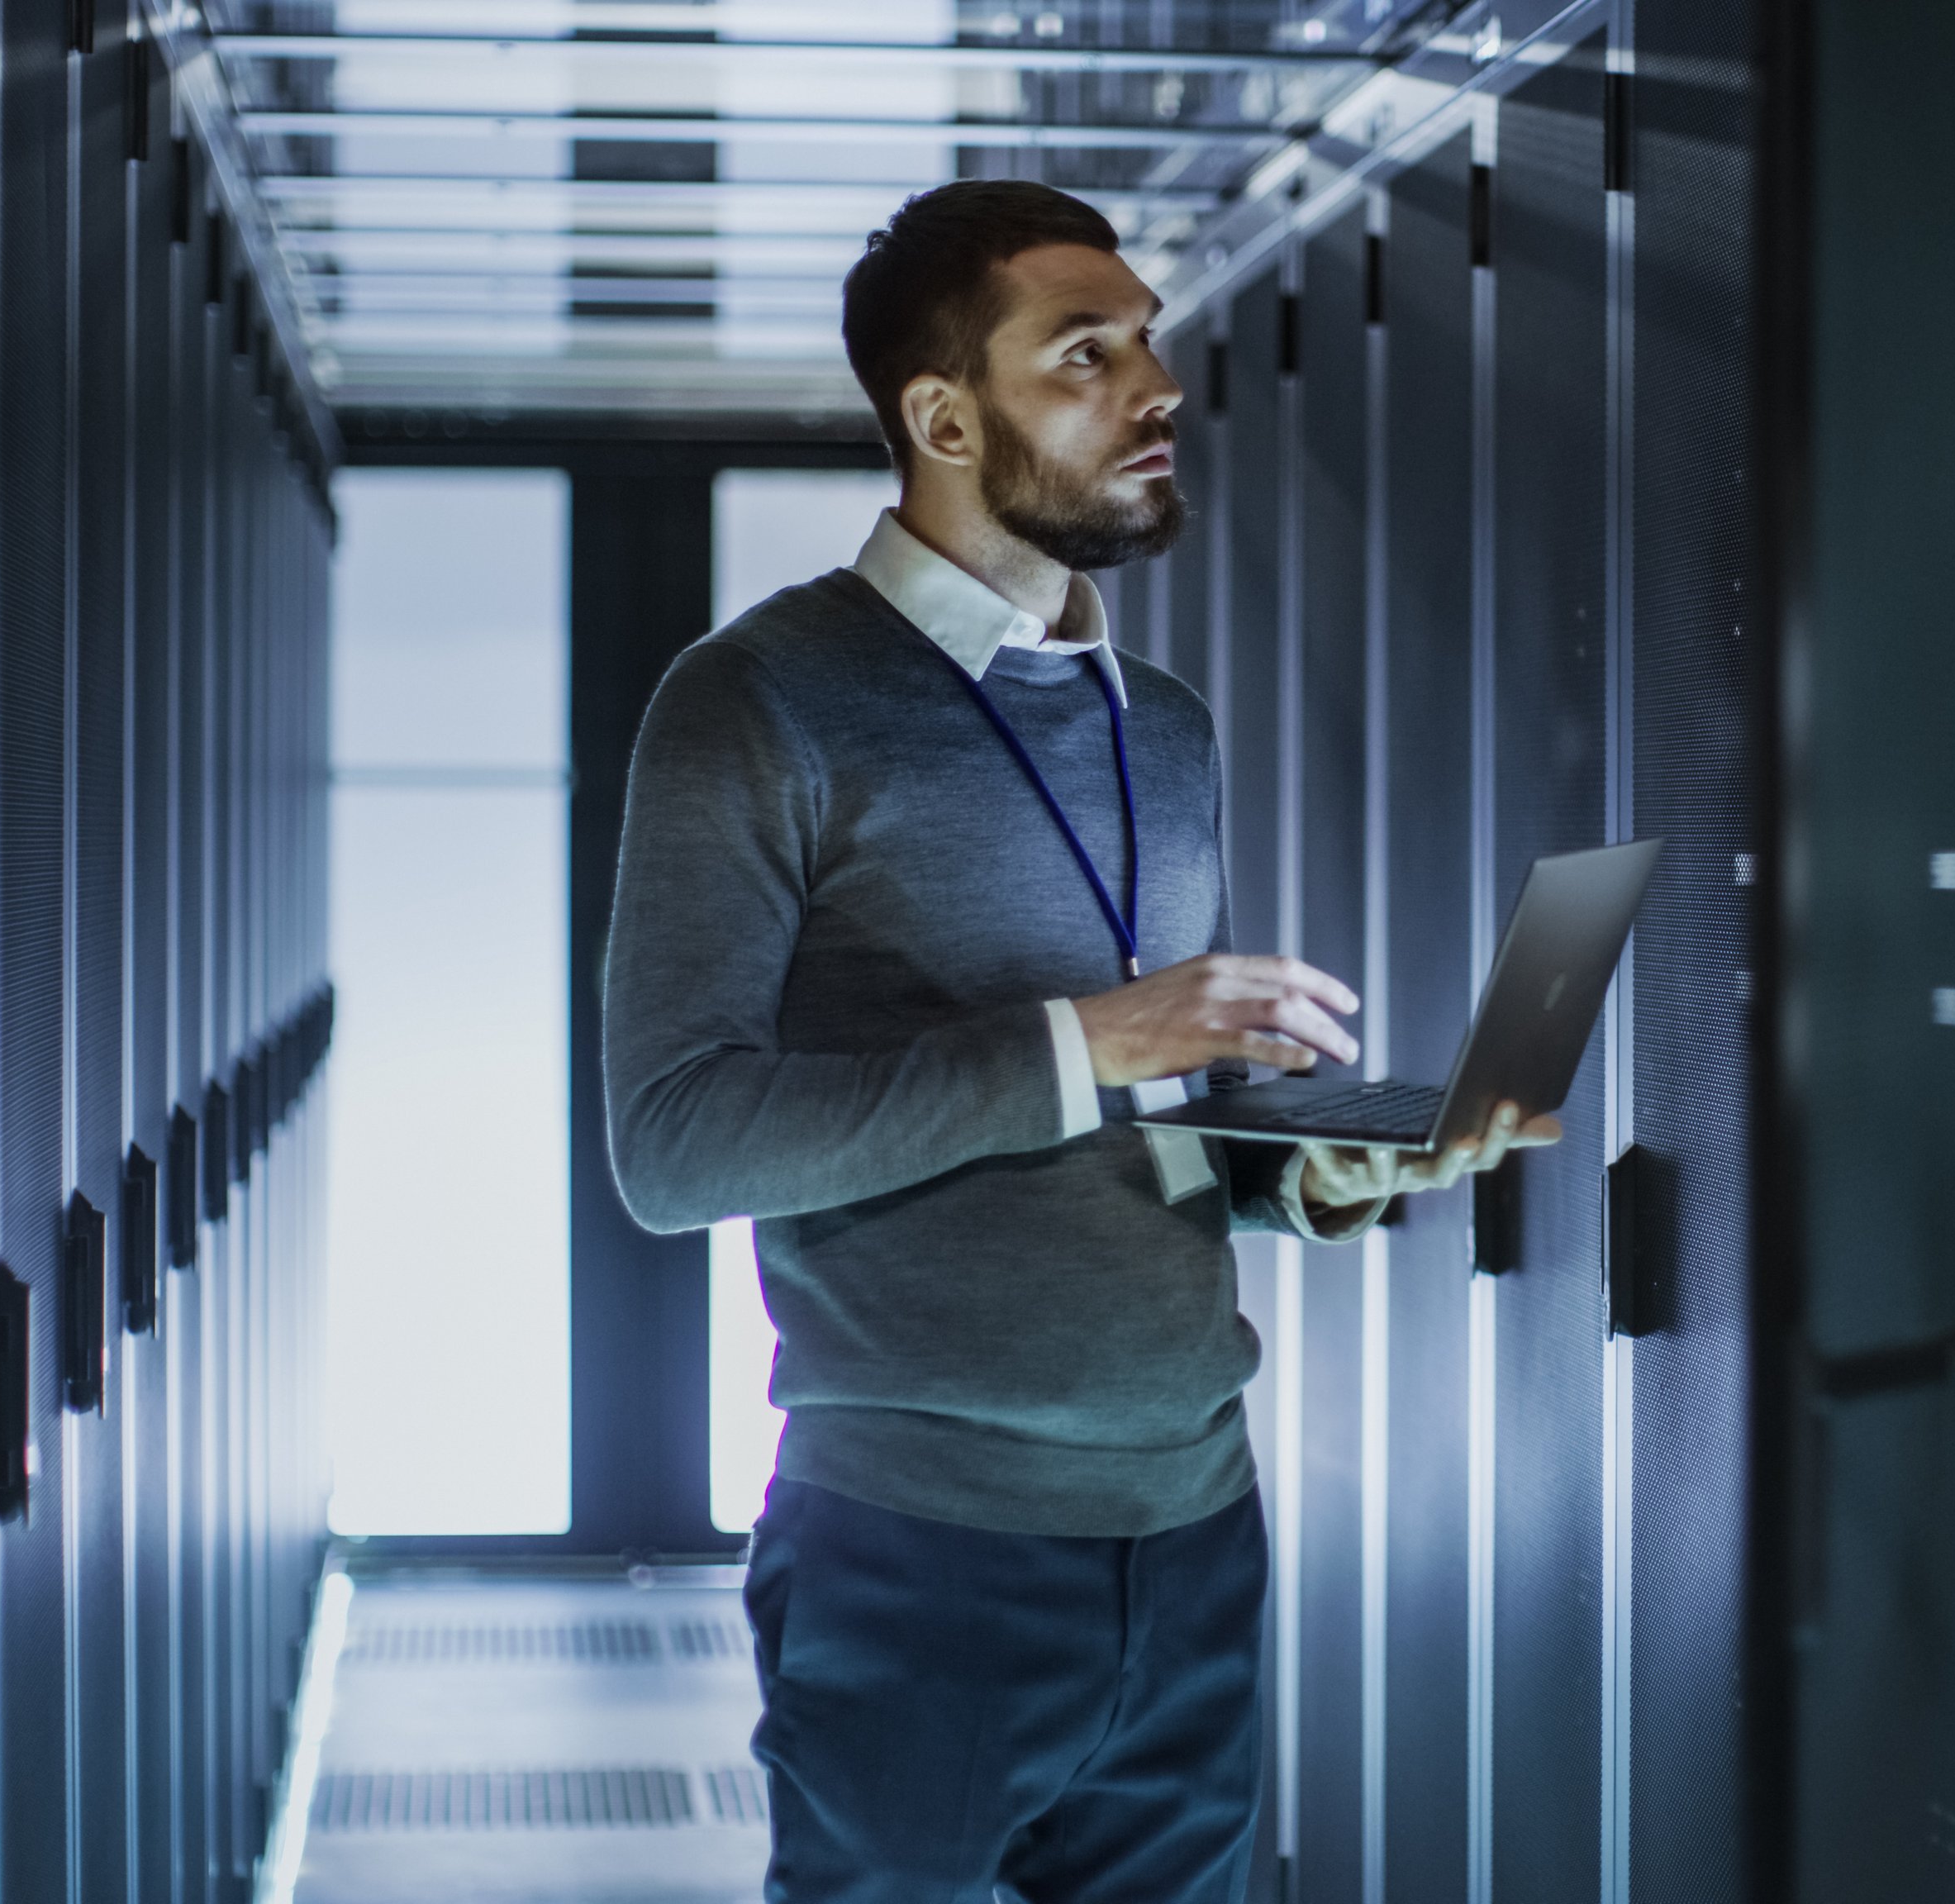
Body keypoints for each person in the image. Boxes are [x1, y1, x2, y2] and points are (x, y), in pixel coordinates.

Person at [601, 178, 1553, 1903]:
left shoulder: (1160, 730)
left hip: (1192, 1527)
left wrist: (1303, 1173)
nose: (1154, 388)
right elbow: (675, 1145)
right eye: (1084, 354)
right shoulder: (753, 702)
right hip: (918, 1547)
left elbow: (1137, 1126)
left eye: (1150, 346)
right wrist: (1087, 1042)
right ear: (944, 416)